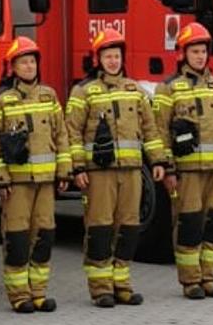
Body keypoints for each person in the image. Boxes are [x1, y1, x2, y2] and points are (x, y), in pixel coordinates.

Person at [65, 29, 170, 307]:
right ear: (97, 59)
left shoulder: (135, 90)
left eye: (116, 56)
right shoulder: (83, 92)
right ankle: (101, 288)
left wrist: (158, 160)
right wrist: (78, 168)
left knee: (129, 227)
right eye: (108, 56)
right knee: (100, 228)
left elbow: (150, 129)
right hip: (99, 173)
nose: (113, 61)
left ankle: (122, 283)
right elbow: (72, 132)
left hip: (132, 171)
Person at [152, 22, 213, 300]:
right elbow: (160, 132)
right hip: (187, 171)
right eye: (195, 52)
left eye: (203, 51)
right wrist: (168, 169)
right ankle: (190, 281)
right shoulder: (168, 89)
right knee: (189, 224)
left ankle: (209, 278)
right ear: (182, 54)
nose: (200, 57)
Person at [0, 36, 71, 314]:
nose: (29, 66)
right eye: (23, 62)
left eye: (32, 61)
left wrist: (64, 170)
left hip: (45, 181)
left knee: (44, 236)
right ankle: (19, 295)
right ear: (12, 67)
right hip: (16, 184)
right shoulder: (0, 99)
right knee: (18, 238)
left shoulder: (49, 95)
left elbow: (61, 135)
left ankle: (39, 293)